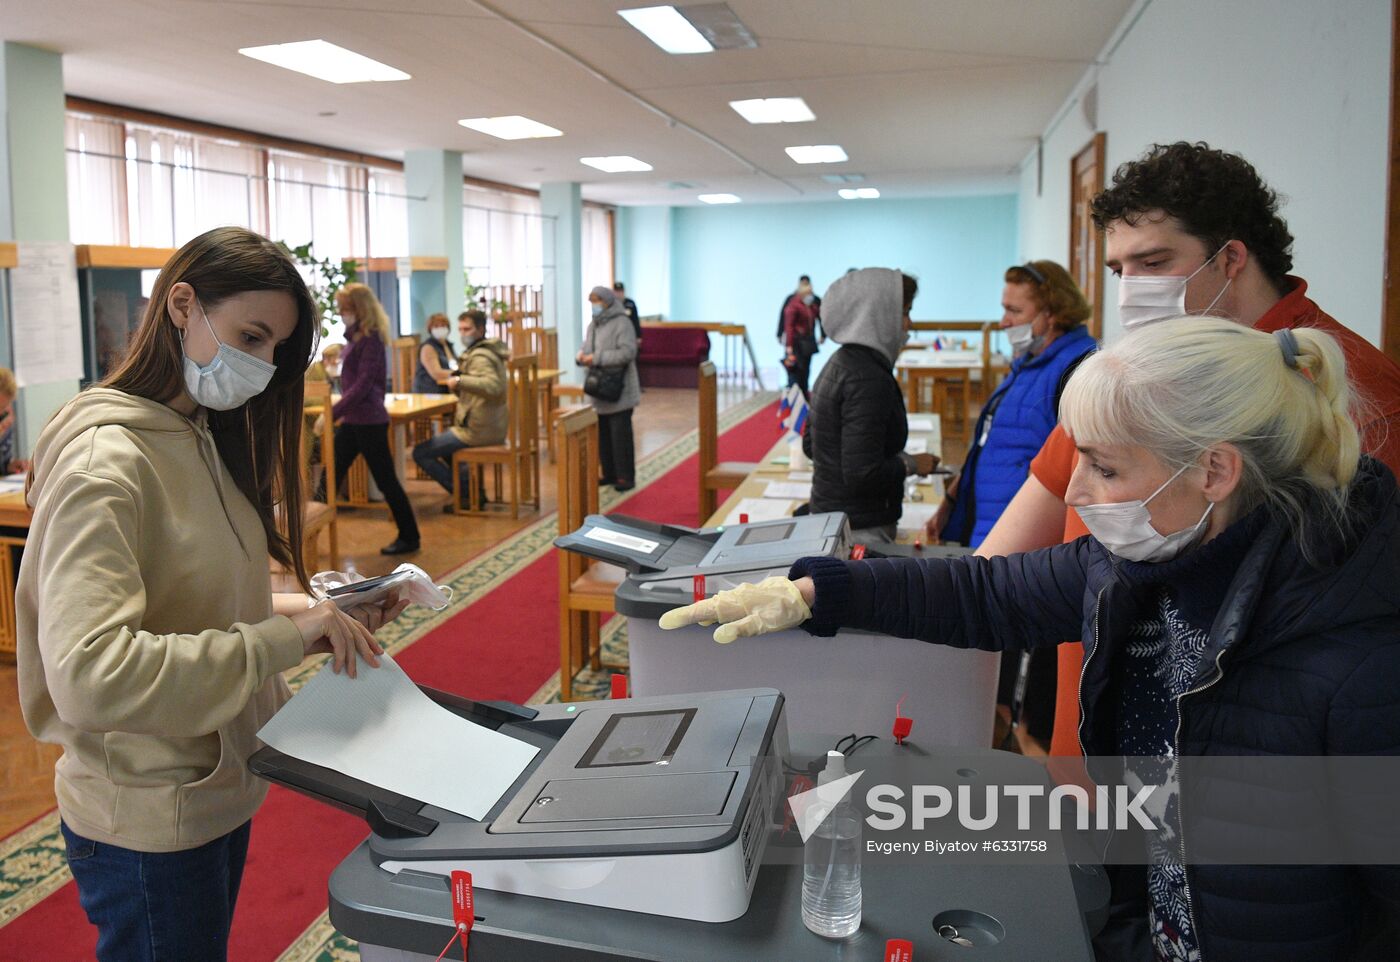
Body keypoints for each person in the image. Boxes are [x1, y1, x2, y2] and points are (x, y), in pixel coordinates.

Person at [661, 318, 1400, 962]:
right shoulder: (1144, 564)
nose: (1074, 491)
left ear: (1214, 470)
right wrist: (818, 592)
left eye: (1104, 467)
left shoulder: (1363, 665)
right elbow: (984, 593)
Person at [15, 226, 405, 962]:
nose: (259, 365)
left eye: (274, 350)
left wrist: (319, 617)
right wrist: (285, 637)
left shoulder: (196, 432)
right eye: (250, 337)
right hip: (147, 811)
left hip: (210, 784)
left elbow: (196, 606)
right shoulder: (106, 464)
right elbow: (92, 676)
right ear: (181, 305)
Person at [977, 141, 1400, 765]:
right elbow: (1000, 562)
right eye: (1119, 270)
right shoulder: (1130, 376)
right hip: (1089, 748)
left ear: (1230, 258)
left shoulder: (1358, 404)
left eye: (1153, 262)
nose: (1131, 291)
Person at [933, 260, 1096, 548]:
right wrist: (950, 502)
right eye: (1004, 309)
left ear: (1052, 313)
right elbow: (989, 444)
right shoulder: (1029, 363)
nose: (1004, 322)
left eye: (1015, 311)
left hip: (1021, 545)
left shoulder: (1076, 369)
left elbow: (1068, 472)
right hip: (990, 527)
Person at [802, 268, 938, 543]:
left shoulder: (839, 362)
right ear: (878, 315)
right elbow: (862, 473)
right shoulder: (868, 377)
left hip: (832, 516)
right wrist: (912, 464)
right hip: (858, 528)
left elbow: (811, 445)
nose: (909, 324)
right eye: (905, 313)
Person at [329, 282, 421, 555]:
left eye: (346, 308)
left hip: (368, 421)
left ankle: (410, 537)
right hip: (355, 420)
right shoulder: (355, 337)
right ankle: (306, 535)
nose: (342, 313)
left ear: (360, 308)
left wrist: (333, 413)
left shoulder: (371, 339)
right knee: (330, 477)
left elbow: (363, 384)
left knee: (385, 480)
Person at [411, 309, 508, 511]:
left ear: (480, 329)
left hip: (478, 429)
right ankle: (472, 493)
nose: (463, 333)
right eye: (461, 329)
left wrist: (460, 381)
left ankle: (466, 495)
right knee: (447, 448)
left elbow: (493, 386)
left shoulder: (480, 356)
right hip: (489, 424)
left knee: (421, 453)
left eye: (468, 329)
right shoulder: (486, 350)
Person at [579, 285, 640, 492]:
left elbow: (627, 353)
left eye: (597, 302)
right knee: (603, 435)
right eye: (592, 302)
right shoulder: (593, 324)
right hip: (599, 389)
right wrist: (581, 356)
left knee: (620, 436)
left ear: (607, 302)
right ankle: (609, 473)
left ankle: (625, 476)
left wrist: (597, 358)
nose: (594, 306)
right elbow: (587, 347)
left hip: (619, 389)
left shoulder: (623, 322)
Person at [781, 278, 820, 399]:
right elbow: (789, 327)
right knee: (796, 371)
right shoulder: (793, 306)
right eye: (809, 293)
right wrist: (789, 346)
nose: (811, 296)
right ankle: (794, 397)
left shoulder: (811, 306)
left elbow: (818, 317)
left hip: (807, 343)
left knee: (806, 371)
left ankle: (804, 394)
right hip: (797, 343)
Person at [412, 312, 457, 394]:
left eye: (443, 326)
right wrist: (461, 374)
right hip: (429, 392)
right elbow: (437, 373)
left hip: (447, 388)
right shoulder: (428, 347)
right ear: (430, 329)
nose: (440, 329)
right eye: (436, 326)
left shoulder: (448, 345)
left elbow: (454, 366)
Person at [0, 367, 31, 475]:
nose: (3, 413)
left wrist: (8, 466)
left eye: (5, 407)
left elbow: (3, 462)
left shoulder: (5, 418)